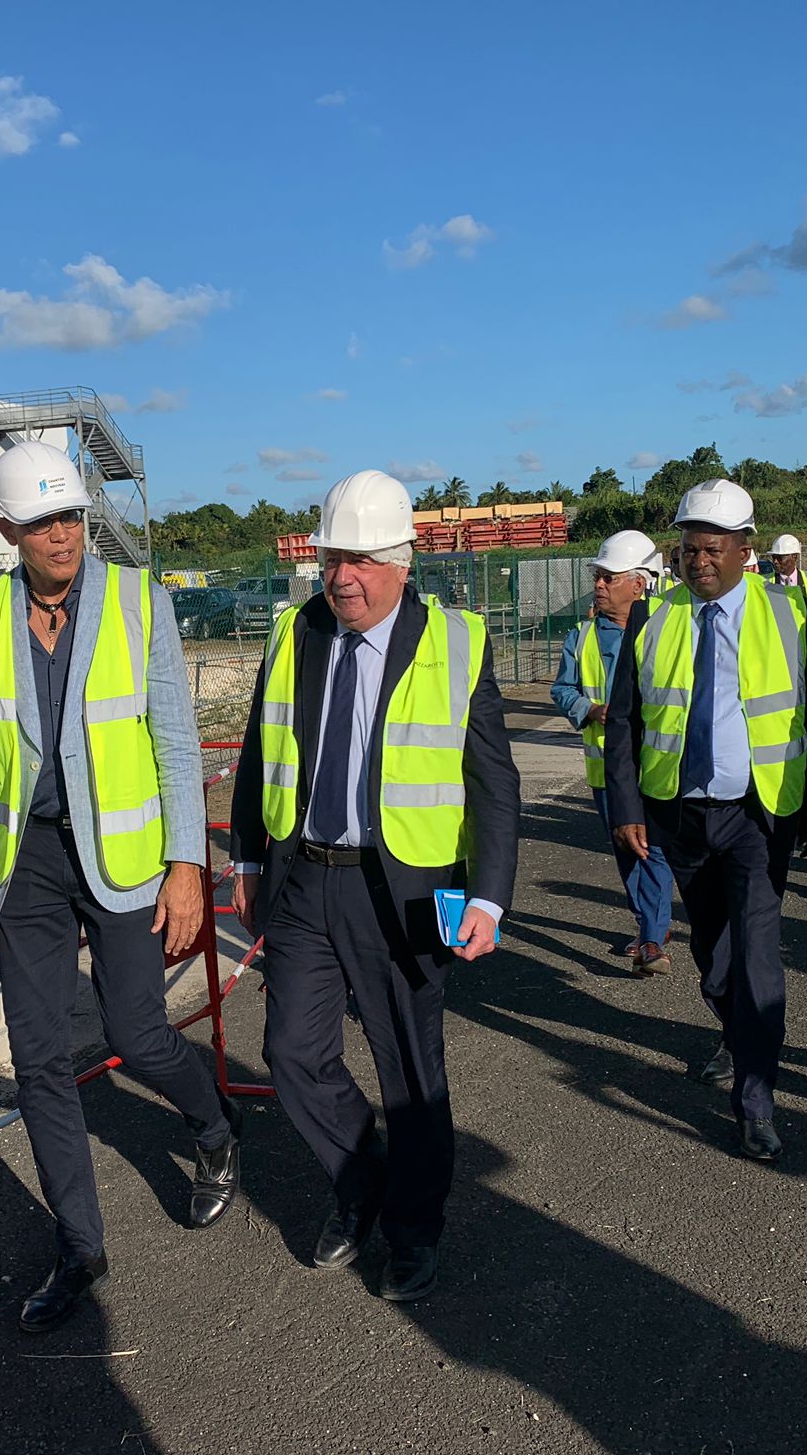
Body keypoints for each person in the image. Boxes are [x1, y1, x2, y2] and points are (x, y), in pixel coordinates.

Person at [0, 439, 240, 1333]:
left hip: (124, 856)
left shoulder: (137, 602)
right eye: (43, 522)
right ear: (9, 530)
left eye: (72, 515)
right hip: (26, 864)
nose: (64, 534)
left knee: (137, 1035)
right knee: (40, 1060)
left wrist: (188, 865)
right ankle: (79, 1246)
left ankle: (216, 1130)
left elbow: (175, 739)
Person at [230, 469, 519, 1301]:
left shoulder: (456, 642)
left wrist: (491, 897)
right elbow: (260, 753)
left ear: (401, 562)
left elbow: (494, 784)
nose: (341, 577)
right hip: (303, 880)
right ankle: (363, 1182)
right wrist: (249, 860)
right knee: (291, 1054)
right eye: (331, 559)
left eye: (358, 560)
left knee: (411, 1072)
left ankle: (414, 1231)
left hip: (405, 893)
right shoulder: (295, 633)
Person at [603, 478, 807, 1162]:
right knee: (712, 955)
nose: (697, 561)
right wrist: (626, 807)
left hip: (758, 816)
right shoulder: (655, 617)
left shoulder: (790, 615)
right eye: (687, 550)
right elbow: (625, 721)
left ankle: (756, 1100)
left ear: (744, 550)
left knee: (759, 958)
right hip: (680, 815)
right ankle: (735, 1034)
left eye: (710, 550)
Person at [551, 530, 677, 972]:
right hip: (608, 770)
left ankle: (652, 937)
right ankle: (649, 928)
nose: (599, 585)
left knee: (652, 849)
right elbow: (562, 689)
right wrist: (589, 708)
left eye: (608, 577)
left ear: (639, 583)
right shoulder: (581, 638)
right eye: (597, 577)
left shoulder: (670, 627)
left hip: (660, 764)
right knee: (628, 850)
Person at [766, 533, 807, 600]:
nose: (775, 561)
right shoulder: (766, 582)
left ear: (794, 557)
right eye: (774, 557)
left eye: (780, 557)